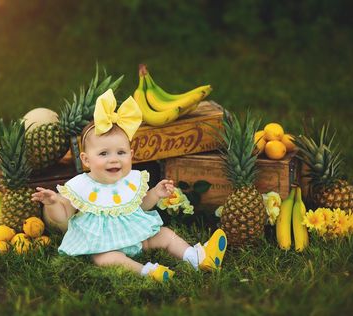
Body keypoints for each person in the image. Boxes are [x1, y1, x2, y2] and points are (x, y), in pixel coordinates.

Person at [32, 89, 227, 281]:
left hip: (137, 237)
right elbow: (63, 216)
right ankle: (148, 272)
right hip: (103, 244)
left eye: (121, 152)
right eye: (103, 154)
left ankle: (197, 257)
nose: (114, 160)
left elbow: (140, 206)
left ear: (131, 155)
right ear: (86, 159)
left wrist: (155, 194)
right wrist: (53, 203)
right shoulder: (80, 185)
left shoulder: (131, 180)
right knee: (106, 259)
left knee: (165, 234)